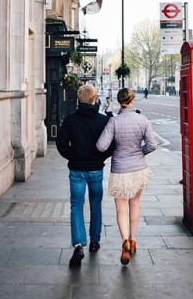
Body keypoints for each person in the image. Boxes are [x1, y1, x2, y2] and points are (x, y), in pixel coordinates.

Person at [96, 87, 157, 266]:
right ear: (132, 100)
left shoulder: (113, 122)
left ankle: (124, 241)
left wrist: (117, 150)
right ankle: (133, 239)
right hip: (139, 168)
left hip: (120, 169)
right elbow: (152, 145)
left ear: (119, 101)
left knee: (121, 208)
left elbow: (101, 146)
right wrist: (140, 152)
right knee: (135, 203)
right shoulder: (142, 120)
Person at [56, 84, 114, 268]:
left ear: (79, 99)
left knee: (76, 206)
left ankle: (79, 244)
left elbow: (61, 143)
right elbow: (110, 145)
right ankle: (95, 240)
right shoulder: (103, 121)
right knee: (96, 203)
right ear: (94, 99)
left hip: (77, 170)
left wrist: (73, 156)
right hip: (96, 169)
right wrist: (100, 157)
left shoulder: (70, 120)